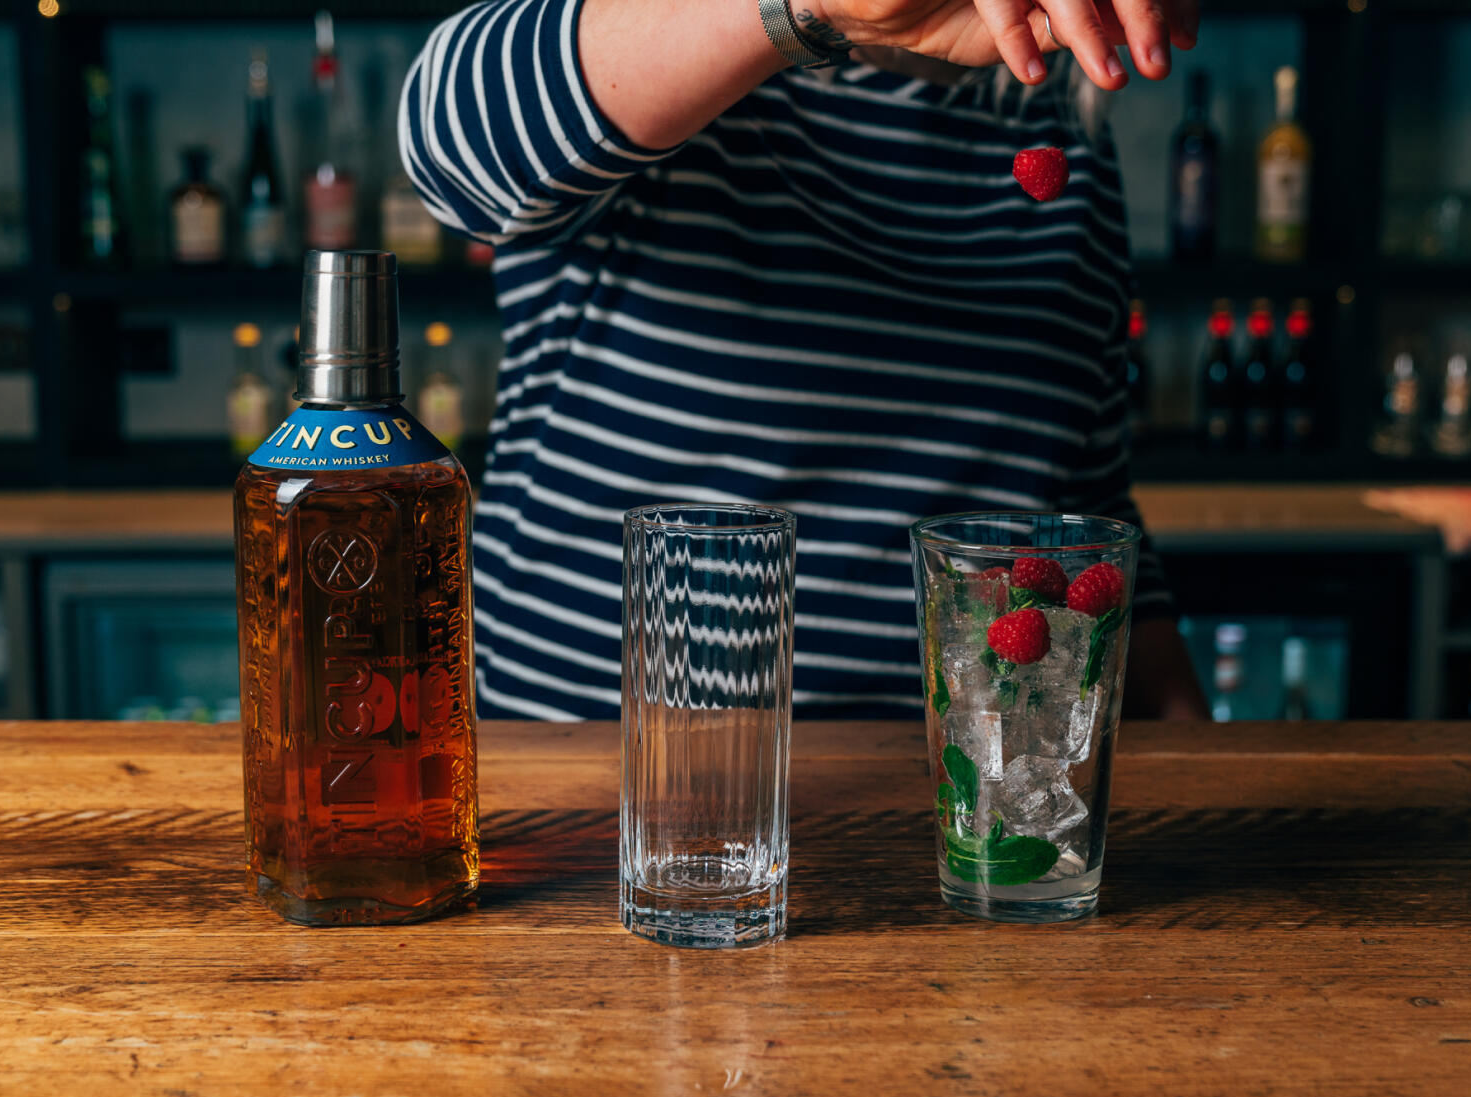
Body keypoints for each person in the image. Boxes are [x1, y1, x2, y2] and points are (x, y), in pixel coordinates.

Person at [399, 0, 1209, 721]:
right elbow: (444, 148)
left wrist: (1198, 753)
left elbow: (1082, 498)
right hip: (600, 795)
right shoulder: (661, 40)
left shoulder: (1066, 141)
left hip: (950, 802)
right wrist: (806, 10)